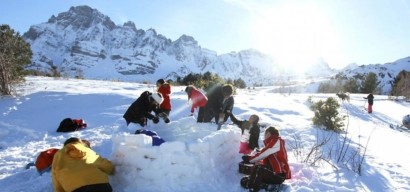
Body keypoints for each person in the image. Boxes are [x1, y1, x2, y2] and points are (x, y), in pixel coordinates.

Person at [241, 126, 291, 192]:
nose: (264, 136)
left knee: (260, 169)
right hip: (274, 173)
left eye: (265, 134)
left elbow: (263, 154)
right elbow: (266, 157)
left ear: (269, 133)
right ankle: (258, 185)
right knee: (258, 167)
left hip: (279, 176)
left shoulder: (277, 141)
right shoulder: (273, 143)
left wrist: (249, 159)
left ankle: (253, 188)